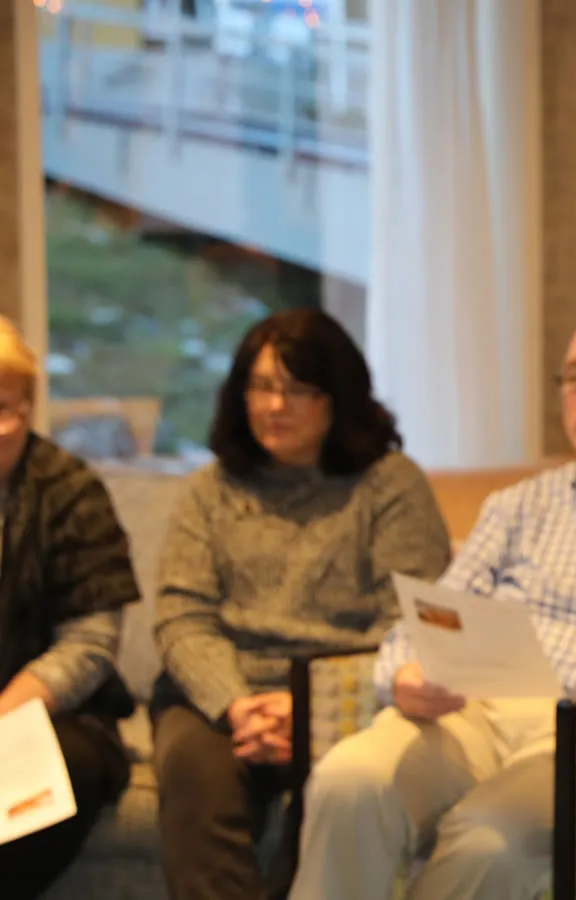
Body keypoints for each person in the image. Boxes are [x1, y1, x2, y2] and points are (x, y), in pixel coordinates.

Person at [287, 305, 576, 900]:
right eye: (572, 376)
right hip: (480, 711)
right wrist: (401, 674)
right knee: (348, 781)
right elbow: (434, 613)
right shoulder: (521, 505)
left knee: (488, 839)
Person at [151, 308, 453, 900]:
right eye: (261, 386)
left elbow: (409, 621)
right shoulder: (210, 490)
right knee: (194, 774)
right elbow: (182, 615)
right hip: (220, 693)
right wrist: (238, 705)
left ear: (338, 397)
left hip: (344, 693)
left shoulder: (390, 485)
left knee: (330, 797)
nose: (273, 406)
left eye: (297, 389)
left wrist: (309, 706)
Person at [0, 316, 140, 897]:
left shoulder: (69, 490)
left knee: (55, 781)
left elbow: (90, 641)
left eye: (5, 408)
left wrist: (5, 716)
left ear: (30, 408)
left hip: (53, 715)